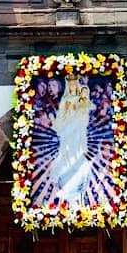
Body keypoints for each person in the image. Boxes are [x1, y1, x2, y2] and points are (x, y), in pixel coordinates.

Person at [52, 75, 92, 204]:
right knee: (67, 148)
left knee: (77, 149)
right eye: (71, 85)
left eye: (74, 84)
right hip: (68, 129)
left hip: (78, 128)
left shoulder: (81, 99)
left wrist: (80, 112)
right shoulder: (65, 99)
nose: (73, 87)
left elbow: (84, 115)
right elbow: (61, 116)